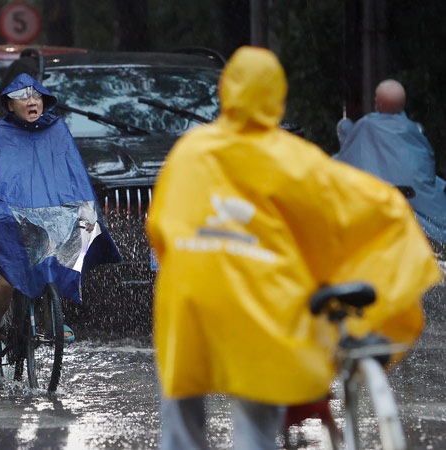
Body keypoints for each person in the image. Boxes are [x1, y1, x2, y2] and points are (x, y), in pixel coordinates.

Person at [146, 46, 441, 449]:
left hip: (189, 302)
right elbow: (364, 208)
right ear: (278, 97)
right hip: (260, 304)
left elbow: (159, 228)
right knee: (255, 421)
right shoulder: (294, 158)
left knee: (182, 415)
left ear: (225, 90)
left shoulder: (190, 150)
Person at [0, 73, 121, 364]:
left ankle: (53, 316)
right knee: (6, 283)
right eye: (23, 97)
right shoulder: (1, 133)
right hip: (13, 214)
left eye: (36, 96)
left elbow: (72, 173)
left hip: (52, 211)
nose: (32, 100)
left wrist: (84, 206)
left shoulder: (57, 129)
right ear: (10, 106)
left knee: (65, 247)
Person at [335, 79, 446, 246]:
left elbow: (349, 151)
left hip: (376, 205)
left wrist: (344, 129)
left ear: (377, 102)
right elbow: (425, 163)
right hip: (415, 204)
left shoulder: (365, 126)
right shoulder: (412, 129)